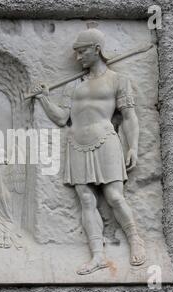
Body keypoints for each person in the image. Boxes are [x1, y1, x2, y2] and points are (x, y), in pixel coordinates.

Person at [32, 27, 146, 275]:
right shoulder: (73, 86)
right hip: (76, 144)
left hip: (105, 140)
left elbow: (129, 117)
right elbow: (62, 118)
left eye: (81, 51)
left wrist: (133, 147)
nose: (77, 57)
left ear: (97, 50)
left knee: (115, 197)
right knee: (86, 199)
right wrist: (44, 98)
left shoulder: (118, 80)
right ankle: (98, 256)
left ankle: (135, 238)